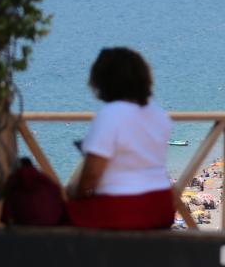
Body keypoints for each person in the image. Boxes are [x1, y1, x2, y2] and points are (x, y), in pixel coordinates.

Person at [65, 47, 175, 230]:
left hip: (121, 208)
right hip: (161, 206)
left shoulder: (110, 114)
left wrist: (74, 194)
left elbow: (90, 177)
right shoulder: (159, 114)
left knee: (56, 214)